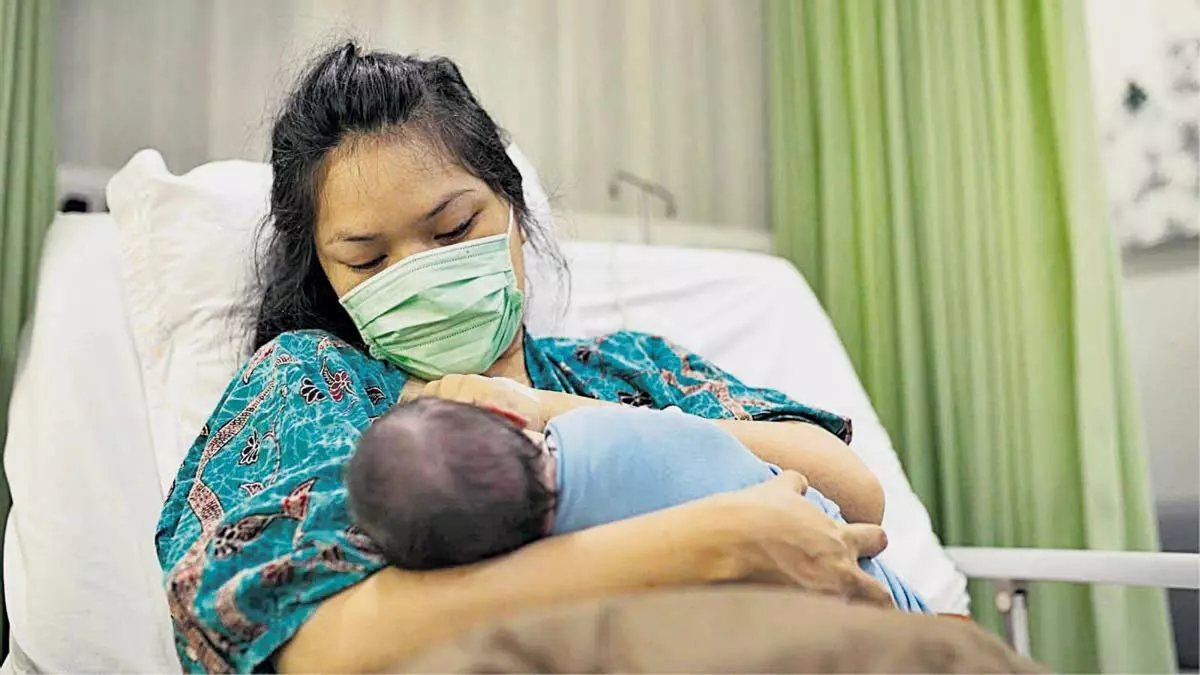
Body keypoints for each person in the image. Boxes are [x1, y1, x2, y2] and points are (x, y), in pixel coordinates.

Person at [155, 41, 893, 673]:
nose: (419, 273)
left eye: (453, 229)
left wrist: (541, 407)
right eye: (368, 260)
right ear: (325, 275)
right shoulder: (314, 387)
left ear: (512, 207)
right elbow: (311, 648)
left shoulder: (623, 367)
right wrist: (712, 543)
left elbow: (853, 492)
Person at [346, 398, 929, 612]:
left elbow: (858, 493)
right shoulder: (601, 426)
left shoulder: (554, 582)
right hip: (888, 607)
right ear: (504, 415)